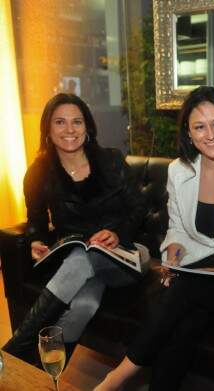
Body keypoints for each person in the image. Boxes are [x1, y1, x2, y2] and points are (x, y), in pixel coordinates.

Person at [94, 86, 214, 391]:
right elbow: (177, 228)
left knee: (181, 293)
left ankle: (115, 378)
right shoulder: (179, 171)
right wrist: (173, 256)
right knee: (184, 326)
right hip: (200, 270)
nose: (209, 134)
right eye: (199, 126)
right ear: (188, 132)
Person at [2, 93, 147, 363]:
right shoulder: (39, 173)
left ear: (87, 127)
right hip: (80, 260)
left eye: (77, 122)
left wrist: (118, 234)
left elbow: (139, 208)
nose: (70, 130)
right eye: (60, 122)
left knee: (83, 258)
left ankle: (12, 355)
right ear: (48, 128)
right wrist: (35, 240)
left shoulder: (111, 161)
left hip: (126, 256)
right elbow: (35, 219)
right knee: (84, 305)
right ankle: (45, 377)